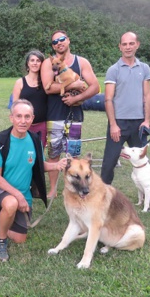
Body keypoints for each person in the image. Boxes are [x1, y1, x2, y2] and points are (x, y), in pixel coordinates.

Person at [0, 99, 67, 262]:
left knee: (20, 238)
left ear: (32, 118)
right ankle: (1, 241)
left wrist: (56, 166)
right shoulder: (0, 141)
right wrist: (18, 196)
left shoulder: (35, 140)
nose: (23, 121)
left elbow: (39, 165)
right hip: (2, 191)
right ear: (11, 118)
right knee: (12, 204)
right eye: (18, 116)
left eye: (27, 116)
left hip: (23, 194)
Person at [40, 31, 100, 198]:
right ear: (53, 46)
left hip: (75, 115)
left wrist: (77, 98)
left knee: (73, 155)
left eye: (62, 39)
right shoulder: (48, 63)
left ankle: (74, 189)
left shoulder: (81, 62)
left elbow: (95, 86)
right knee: (53, 154)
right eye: (55, 42)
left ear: (68, 40)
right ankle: (53, 190)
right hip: (54, 114)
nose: (59, 43)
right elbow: (47, 87)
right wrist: (74, 84)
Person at [101, 32, 150, 184]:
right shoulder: (114, 70)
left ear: (137, 44)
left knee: (142, 162)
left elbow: (147, 96)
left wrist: (147, 121)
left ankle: (149, 193)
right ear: (120, 47)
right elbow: (108, 99)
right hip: (119, 123)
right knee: (109, 163)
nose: (128, 47)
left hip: (138, 123)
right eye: (124, 44)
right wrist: (113, 125)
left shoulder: (144, 68)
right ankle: (103, 195)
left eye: (131, 43)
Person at [11, 50, 48, 147]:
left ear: (42, 64)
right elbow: (14, 106)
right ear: (28, 64)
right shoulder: (20, 82)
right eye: (32, 60)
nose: (35, 63)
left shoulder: (46, 82)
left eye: (38, 60)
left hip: (42, 125)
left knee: (39, 154)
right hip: (23, 126)